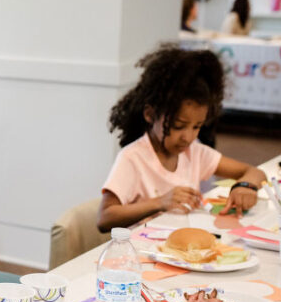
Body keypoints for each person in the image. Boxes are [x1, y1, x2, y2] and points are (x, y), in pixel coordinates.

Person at [97, 46, 266, 232]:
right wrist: (160, 202)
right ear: (150, 114)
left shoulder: (195, 153)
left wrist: (245, 186)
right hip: (142, 251)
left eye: (197, 127)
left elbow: (253, 171)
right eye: (178, 126)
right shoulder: (133, 158)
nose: (188, 137)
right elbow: (105, 218)